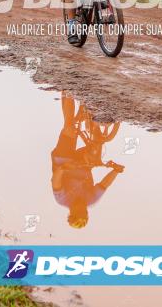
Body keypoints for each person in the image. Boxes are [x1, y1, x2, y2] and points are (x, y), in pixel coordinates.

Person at [50, 94, 124, 229]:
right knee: (97, 147)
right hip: (83, 164)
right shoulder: (92, 200)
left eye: (79, 211)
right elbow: (104, 185)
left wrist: (64, 168)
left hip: (63, 160)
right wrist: (116, 171)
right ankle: (93, 121)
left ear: (71, 212)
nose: (83, 209)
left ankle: (67, 92)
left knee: (70, 128)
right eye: (85, 212)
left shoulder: (62, 199)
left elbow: (56, 180)